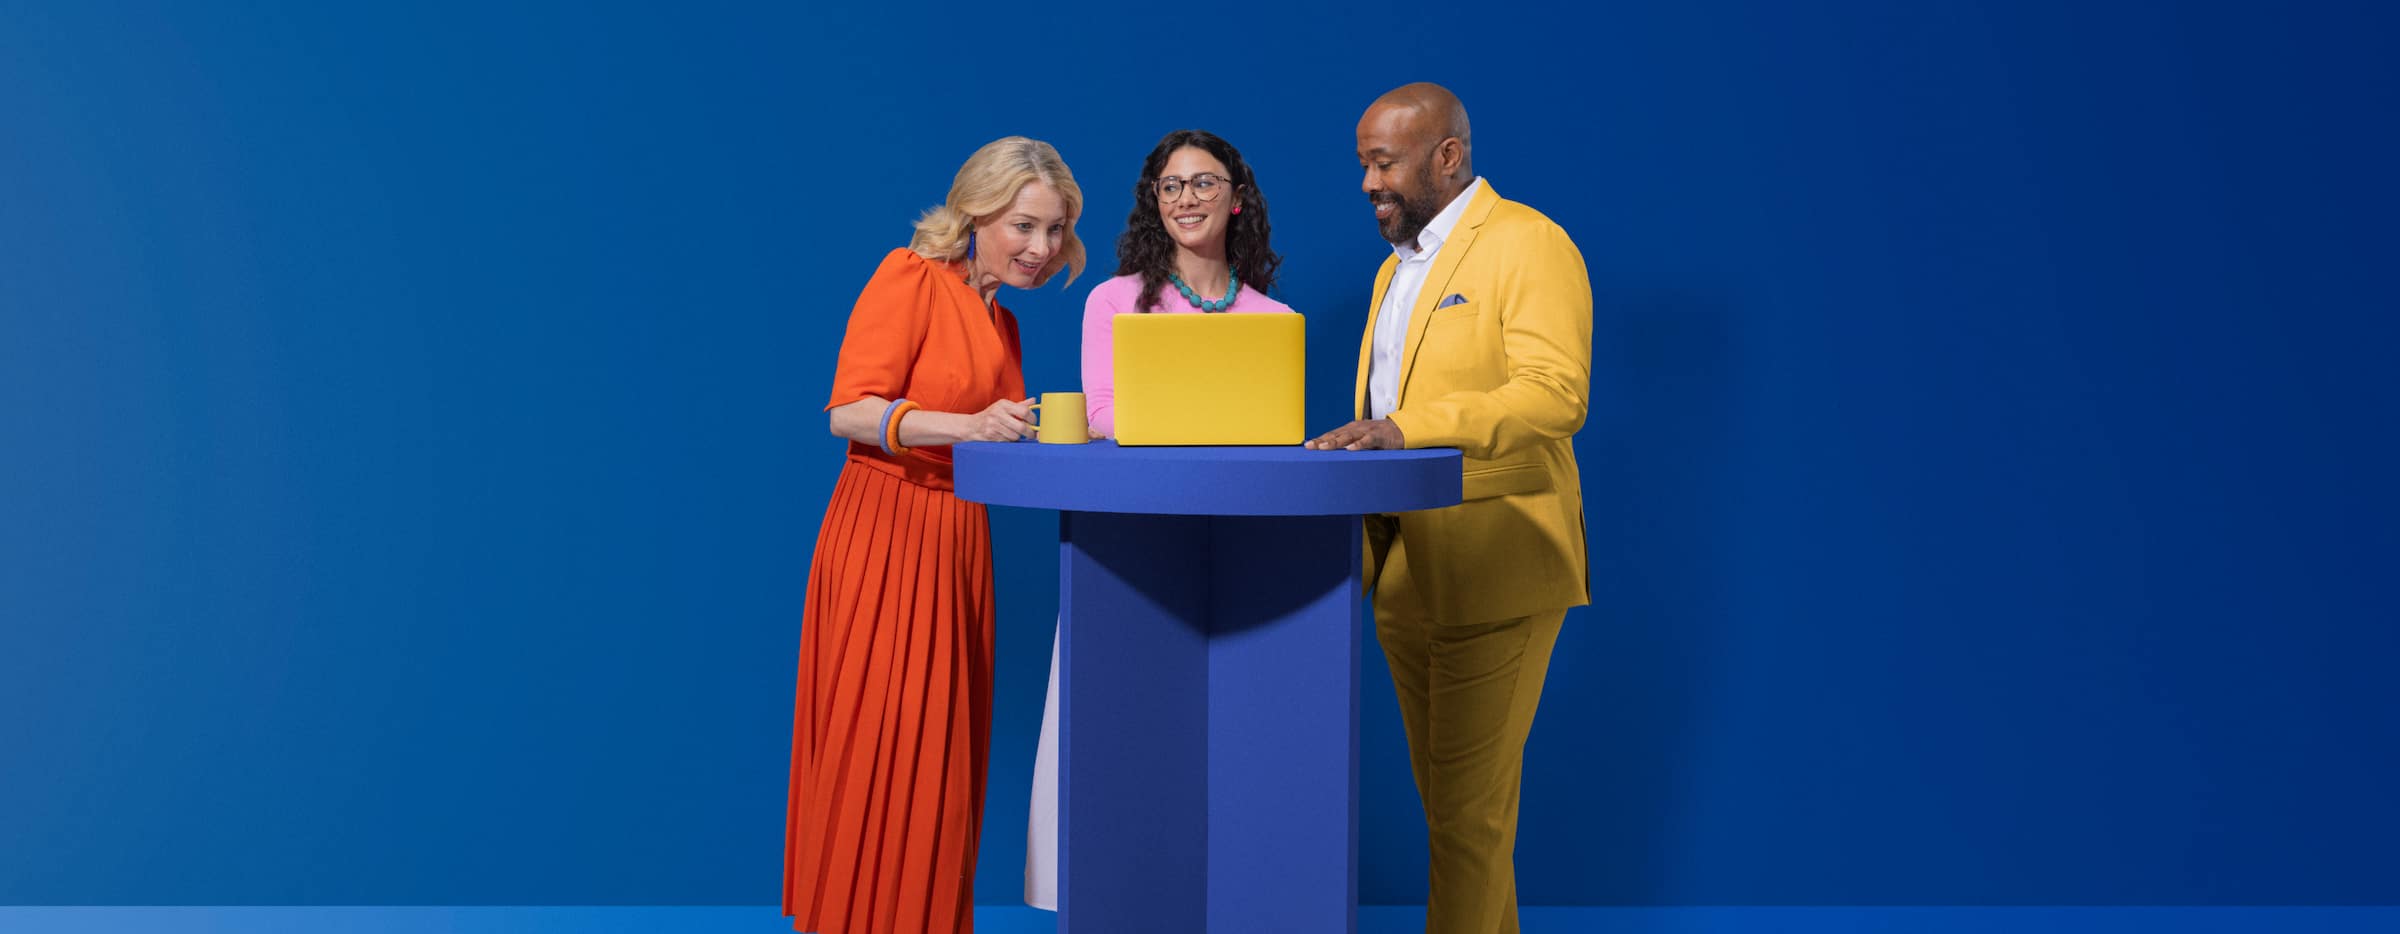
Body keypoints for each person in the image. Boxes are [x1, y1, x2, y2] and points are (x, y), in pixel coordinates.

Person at [1305, 83, 1593, 934]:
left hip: (1497, 564)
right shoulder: (1397, 267)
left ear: (1448, 155)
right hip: (1406, 577)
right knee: (1460, 819)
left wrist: (1405, 429)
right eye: (1362, 163)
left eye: (1384, 162)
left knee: (1468, 821)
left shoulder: (1529, 244)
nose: (1367, 182)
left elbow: (1555, 394)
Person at [785, 136, 1084, 934]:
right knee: (874, 746)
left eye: (1055, 231)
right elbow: (848, 411)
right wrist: (969, 424)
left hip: (957, 544)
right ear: (977, 214)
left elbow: (994, 443)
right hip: (886, 532)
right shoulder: (909, 277)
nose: (1040, 249)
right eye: (1024, 226)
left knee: (940, 760)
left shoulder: (1005, 324)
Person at [1025, 129, 1291, 910]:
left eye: (1203, 183)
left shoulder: (1271, 315)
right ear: (1155, 202)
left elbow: (1270, 429)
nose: (1186, 200)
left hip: (1235, 548)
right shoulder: (1116, 299)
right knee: (1117, 729)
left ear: (1236, 197)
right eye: (1170, 187)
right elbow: (1104, 413)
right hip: (1129, 543)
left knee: (1223, 735)